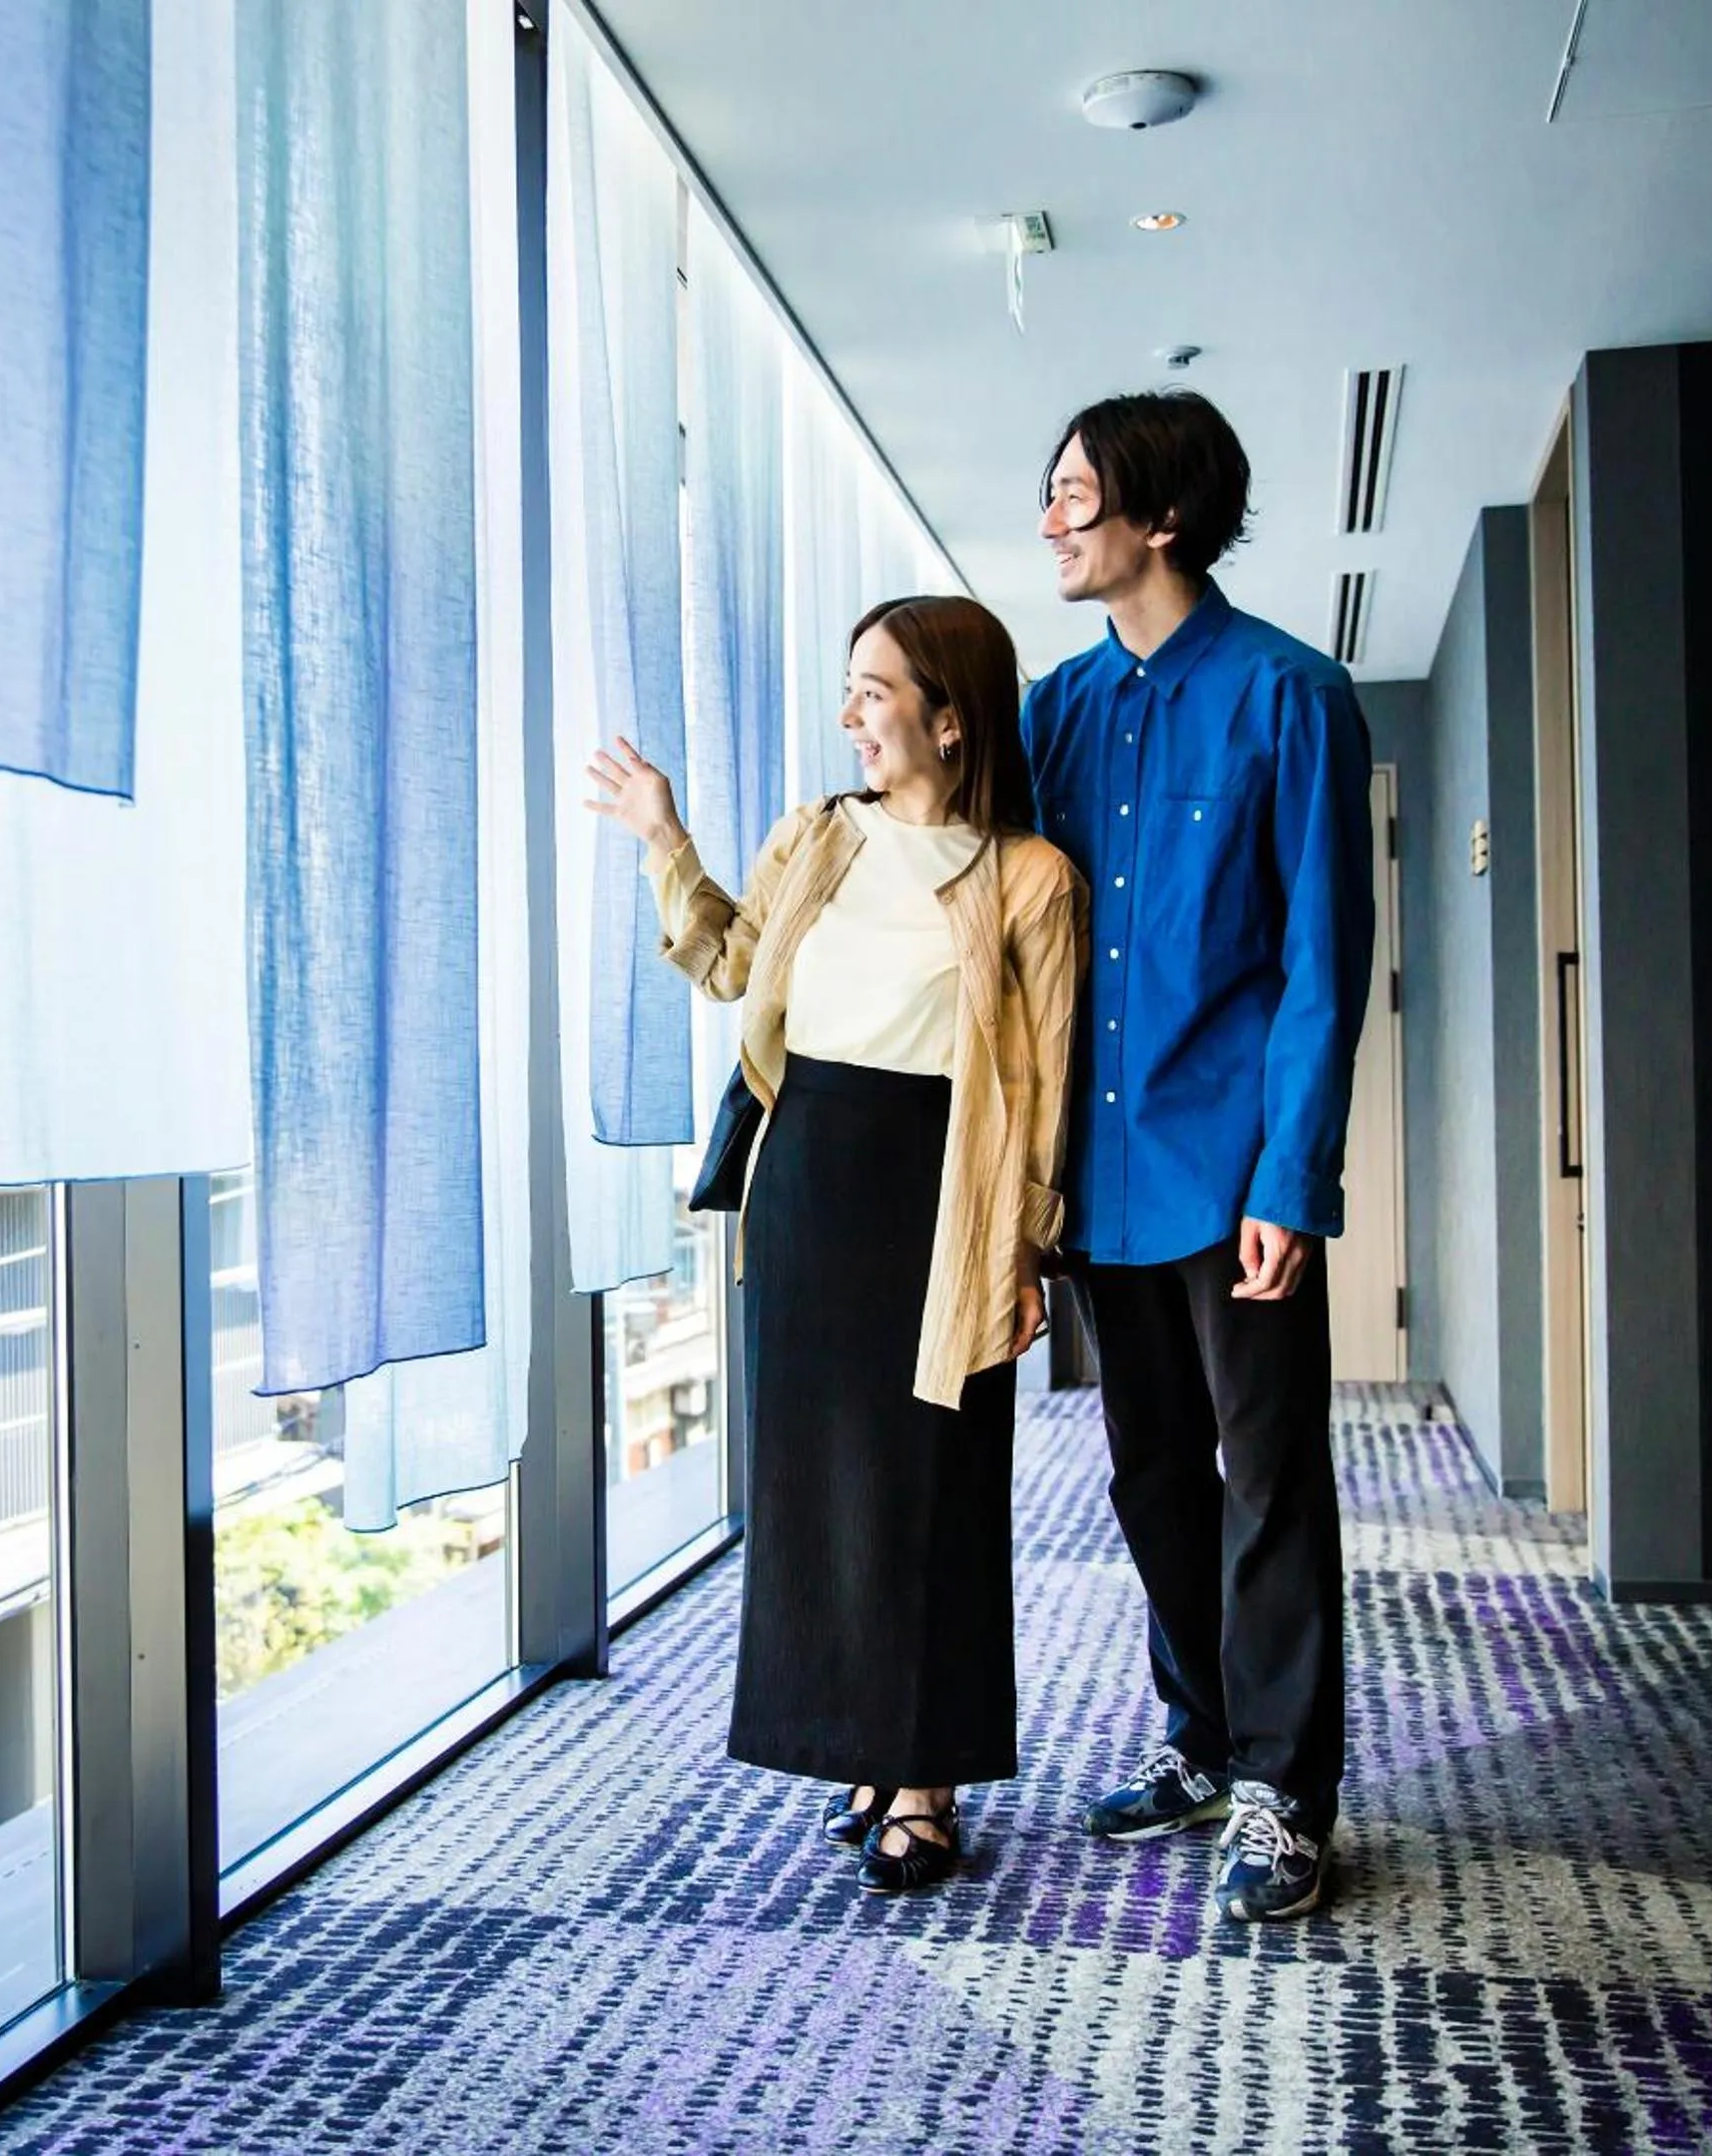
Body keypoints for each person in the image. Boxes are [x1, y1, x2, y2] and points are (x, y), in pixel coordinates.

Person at [586, 595, 1085, 1895]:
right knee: (822, 1486)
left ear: (951, 715)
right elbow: (733, 967)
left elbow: (1043, 1084)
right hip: (809, 1177)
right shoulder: (818, 835)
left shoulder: (1029, 877)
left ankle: (925, 1775)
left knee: (934, 1485)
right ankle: (863, 1746)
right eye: (850, 688)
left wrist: (1026, 1251)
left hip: (945, 1195)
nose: (852, 713)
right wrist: (661, 837)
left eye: (875, 689)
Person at [1022, 389, 1376, 1922]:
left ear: (1161, 518)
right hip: (1095, 1182)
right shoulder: (1053, 710)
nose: (1053, 520)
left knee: (1269, 1480)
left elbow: (1321, 960)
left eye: (1076, 496)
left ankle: (1287, 1794)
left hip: (1231, 1178)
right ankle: (1203, 1738)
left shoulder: (1294, 696)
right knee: (1151, 1476)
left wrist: (1290, 1179)